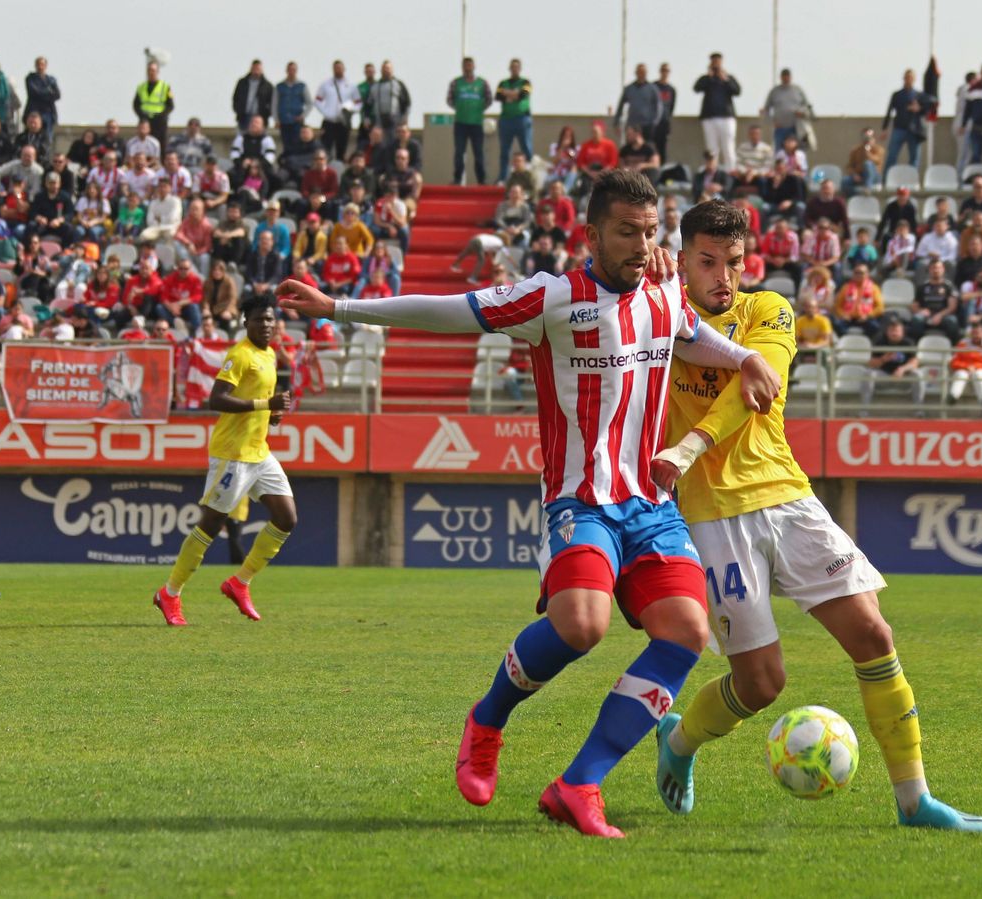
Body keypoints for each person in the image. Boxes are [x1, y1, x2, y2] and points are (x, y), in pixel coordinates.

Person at [276, 170, 781, 839]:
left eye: (651, 231)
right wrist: (337, 308)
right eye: (627, 231)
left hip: (652, 503)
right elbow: (451, 310)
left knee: (687, 633)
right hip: (579, 499)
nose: (642, 244)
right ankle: (487, 719)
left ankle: (579, 784)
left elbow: (692, 334)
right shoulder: (552, 298)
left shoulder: (663, 290)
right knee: (581, 624)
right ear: (592, 232)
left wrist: (745, 356)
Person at [643, 198, 982, 832]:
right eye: (707, 262)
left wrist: (690, 444)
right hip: (713, 514)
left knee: (874, 635)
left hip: (788, 498)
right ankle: (680, 741)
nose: (723, 276)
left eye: (734, 262)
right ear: (685, 261)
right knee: (760, 684)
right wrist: (653, 279)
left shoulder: (770, 310)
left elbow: (753, 387)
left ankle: (915, 802)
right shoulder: (658, 312)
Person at [152, 300, 296, 626]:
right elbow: (216, 399)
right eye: (259, 320)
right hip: (232, 454)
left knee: (286, 518)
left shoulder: (270, 355)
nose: (267, 326)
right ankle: (169, 593)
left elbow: (261, 405)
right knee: (211, 526)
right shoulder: (240, 354)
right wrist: (265, 403)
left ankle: (239, 582)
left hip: (259, 452)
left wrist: (271, 414)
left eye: (271, 320)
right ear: (246, 323)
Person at [447, 57, 492, 186]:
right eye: (465, 65)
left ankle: (481, 180)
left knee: (479, 153)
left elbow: (489, 99)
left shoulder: (482, 83)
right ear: (462, 67)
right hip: (460, 123)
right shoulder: (456, 83)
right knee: (459, 152)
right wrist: (461, 107)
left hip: (476, 123)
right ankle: (457, 179)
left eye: (470, 65)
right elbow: (450, 100)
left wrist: (478, 108)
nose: (468, 68)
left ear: (474, 66)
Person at [694, 53, 741, 169]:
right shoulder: (706, 78)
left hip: (726, 118)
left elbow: (737, 91)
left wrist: (724, 79)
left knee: (728, 147)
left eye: (718, 61)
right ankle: (713, 171)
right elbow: (696, 88)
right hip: (709, 118)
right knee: (712, 148)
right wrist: (709, 76)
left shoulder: (728, 78)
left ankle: (730, 171)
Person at [883, 68, 935, 167]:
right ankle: (887, 179)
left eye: (911, 78)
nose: (908, 80)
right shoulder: (897, 95)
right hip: (899, 128)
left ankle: (912, 180)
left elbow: (930, 105)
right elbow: (889, 111)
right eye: (907, 77)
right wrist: (885, 128)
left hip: (914, 129)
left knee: (914, 158)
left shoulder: (919, 95)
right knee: (892, 156)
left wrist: (919, 108)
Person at [496, 59, 533, 184]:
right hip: (506, 119)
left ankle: (528, 177)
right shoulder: (503, 83)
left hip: (522, 119)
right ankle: (503, 178)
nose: (514, 69)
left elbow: (524, 94)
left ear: (520, 68)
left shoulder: (525, 82)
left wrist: (508, 95)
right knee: (504, 151)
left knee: (526, 149)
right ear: (509, 68)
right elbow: (498, 96)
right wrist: (514, 94)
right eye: (512, 67)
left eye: (516, 67)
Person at [948, 320, 982, 405]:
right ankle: (953, 397)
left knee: (978, 374)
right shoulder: (962, 344)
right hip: (966, 371)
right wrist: (967, 366)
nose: (975, 335)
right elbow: (954, 362)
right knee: (961, 374)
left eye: (978, 332)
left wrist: (975, 367)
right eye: (973, 332)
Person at [762, 68, 812, 150]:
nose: (786, 78)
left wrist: (802, 113)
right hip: (780, 129)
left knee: (797, 153)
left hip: (796, 128)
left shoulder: (797, 90)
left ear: (790, 77)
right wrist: (772, 121)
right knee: (779, 153)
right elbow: (766, 109)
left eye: (787, 76)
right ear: (781, 77)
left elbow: (807, 107)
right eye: (784, 76)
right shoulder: (775, 91)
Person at [133, 61, 174, 149]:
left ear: (158, 72)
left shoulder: (165, 87)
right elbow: (136, 105)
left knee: (161, 145)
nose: (151, 72)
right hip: (145, 122)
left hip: (159, 122)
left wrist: (161, 115)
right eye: (149, 70)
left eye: (153, 70)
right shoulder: (141, 87)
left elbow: (170, 106)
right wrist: (143, 116)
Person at [652, 63, 677, 162]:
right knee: (652, 148)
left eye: (667, 70)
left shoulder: (671, 89)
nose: (665, 73)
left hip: (664, 123)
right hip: (653, 123)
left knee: (663, 149)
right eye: (663, 70)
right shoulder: (654, 86)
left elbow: (672, 107)